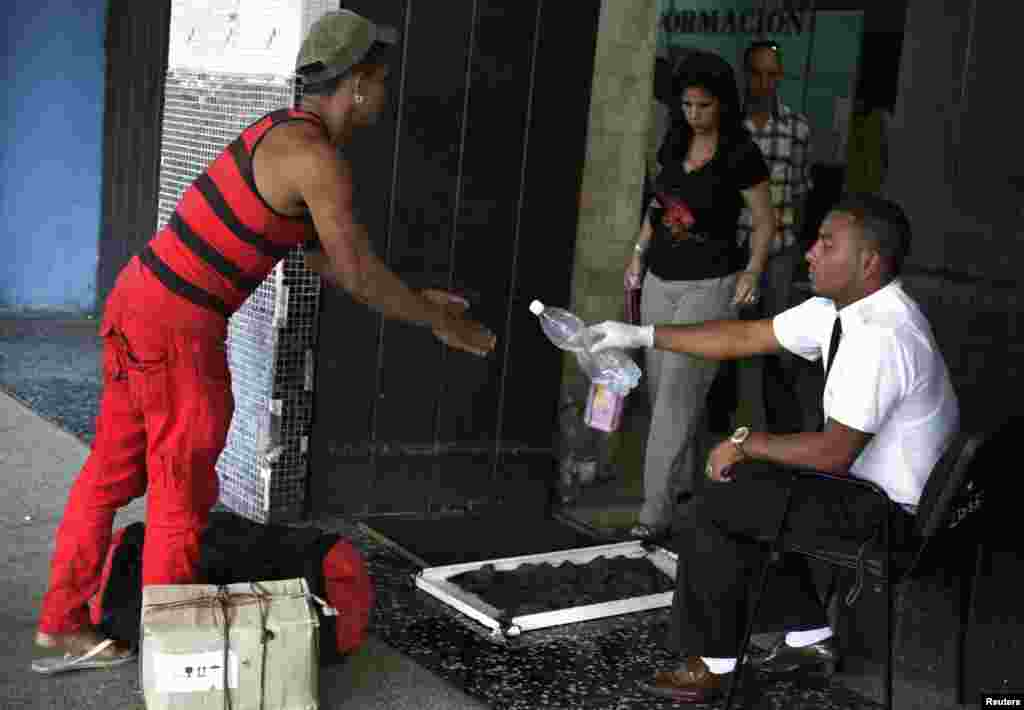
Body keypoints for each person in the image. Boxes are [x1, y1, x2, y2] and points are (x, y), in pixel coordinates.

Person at [32, 9, 496, 674]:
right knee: (180, 493)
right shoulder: (317, 159)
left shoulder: (278, 134)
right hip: (179, 327)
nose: (386, 96)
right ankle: (175, 669)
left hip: (138, 300)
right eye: (382, 81)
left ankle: (61, 622)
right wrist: (435, 320)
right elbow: (361, 274)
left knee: (109, 476)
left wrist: (421, 301)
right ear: (357, 84)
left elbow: (327, 261)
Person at [590, 193, 959, 703]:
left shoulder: (883, 333)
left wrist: (745, 443)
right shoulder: (839, 310)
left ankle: (713, 663)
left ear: (869, 262)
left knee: (722, 499)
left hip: (893, 519)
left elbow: (833, 455)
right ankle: (808, 637)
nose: (810, 252)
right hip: (863, 494)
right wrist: (638, 333)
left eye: (827, 244)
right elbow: (743, 336)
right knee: (748, 490)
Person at [624, 50, 775, 539]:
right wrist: (638, 253)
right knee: (664, 393)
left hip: (711, 285)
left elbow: (765, 220)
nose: (694, 115)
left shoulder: (740, 153)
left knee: (675, 399)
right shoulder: (672, 144)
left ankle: (652, 515)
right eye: (687, 105)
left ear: (722, 105)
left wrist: (753, 269)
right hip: (658, 281)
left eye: (703, 106)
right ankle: (687, 497)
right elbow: (657, 203)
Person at [706, 39, 815, 436]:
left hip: (780, 254)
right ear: (745, 76)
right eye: (757, 73)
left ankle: (785, 436)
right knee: (726, 341)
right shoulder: (728, 128)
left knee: (780, 345)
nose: (765, 81)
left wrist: (795, 247)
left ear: (780, 77)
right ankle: (717, 431)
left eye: (772, 74)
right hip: (733, 251)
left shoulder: (798, 129)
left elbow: (802, 190)